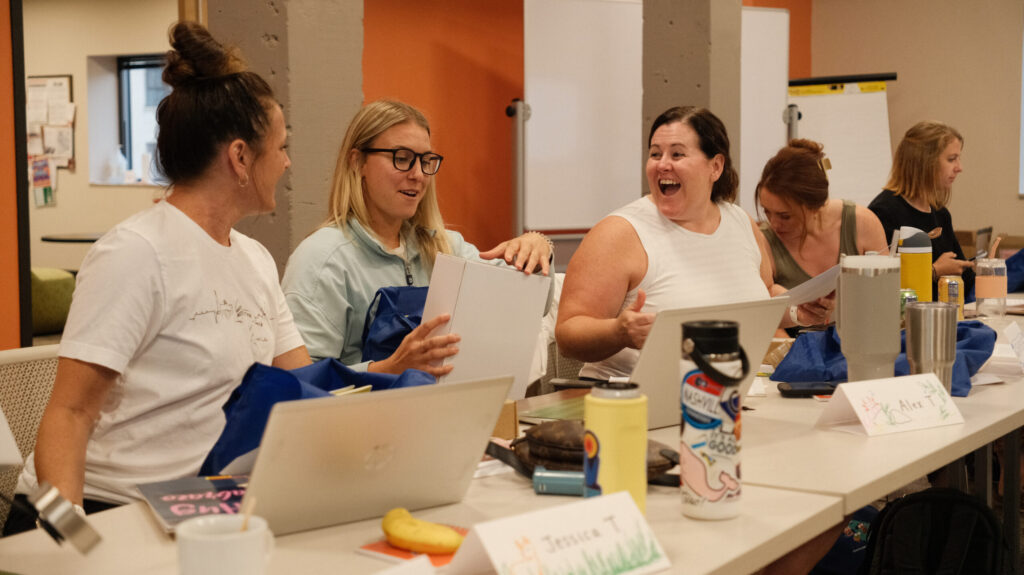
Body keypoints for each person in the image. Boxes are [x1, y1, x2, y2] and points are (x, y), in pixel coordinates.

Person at [6, 22, 311, 534]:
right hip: (115, 512)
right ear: (239, 157)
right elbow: (68, 415)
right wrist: (74, 544)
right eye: (280, 147)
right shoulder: (136, 254)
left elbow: (299, 386)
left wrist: (388, 369)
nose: (286, 162)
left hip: (206, 508)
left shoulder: (255, 258)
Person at [555, 106, 830, 380]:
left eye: (677, 154)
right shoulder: (618, 233)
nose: (662, 164)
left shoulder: (741, 222)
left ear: (715, 166)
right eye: (654, 154)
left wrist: (797, 310)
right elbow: (568, 334)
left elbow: (761, 295)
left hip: (726, 393)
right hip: (631, 398)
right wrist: (618, 332)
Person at [281, 99, 552, 375]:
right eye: (401, 158)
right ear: (357, 162)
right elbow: (301, 382)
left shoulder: (447, 248)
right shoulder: (322, 260)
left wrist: (537, 247)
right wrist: (389, 368)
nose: (419, 175)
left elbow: (534, 304)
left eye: (426, 160)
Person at [757, 139, 888, 330]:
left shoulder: (862, 224)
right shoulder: (765, 241)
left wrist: (845, 305)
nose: (774, 223)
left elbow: (885, 297)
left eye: (785, 216)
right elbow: (763, 319)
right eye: (766, 211)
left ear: (815, 207)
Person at [868, 121, 975, 297]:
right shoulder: (884, 212)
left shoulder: (940, 214)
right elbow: (881, 285)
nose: (959, 168)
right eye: (951, 159)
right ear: (924, 162)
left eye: (958, 158)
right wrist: (934, 271)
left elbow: (966, 276)